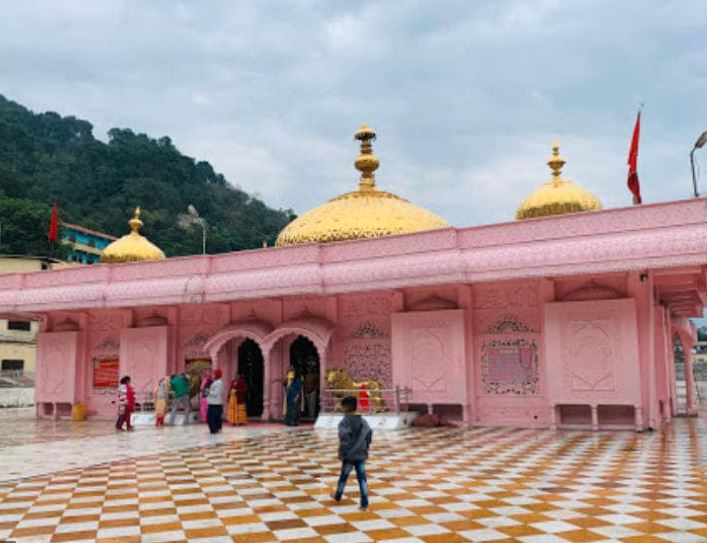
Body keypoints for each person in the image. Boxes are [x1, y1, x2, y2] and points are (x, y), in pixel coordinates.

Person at [330, 396, 372, 511]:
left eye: (342, 406)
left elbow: (344, 438)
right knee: (362, 478)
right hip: (361, 454)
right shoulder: (363, 421)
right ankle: (364, 502)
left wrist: (341, 451)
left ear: (347, 407)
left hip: (349, 455)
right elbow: (369, 434)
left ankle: (338, 495)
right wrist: (366, 447)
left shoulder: (345, 421)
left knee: (344, 476)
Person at [206, 368, 224, 434]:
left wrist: (208, 392)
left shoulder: (218, 383)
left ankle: (214, 430)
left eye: (214, 374)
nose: (213, 375)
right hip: (213, 403)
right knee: (214, 418)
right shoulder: (216, 382)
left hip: (215, 403)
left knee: (212, 418)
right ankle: (215, 429)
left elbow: (216, 393)